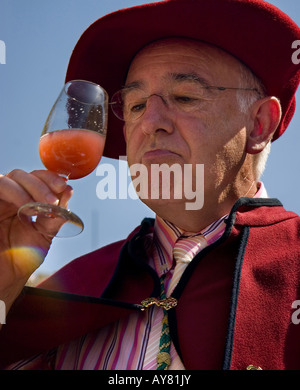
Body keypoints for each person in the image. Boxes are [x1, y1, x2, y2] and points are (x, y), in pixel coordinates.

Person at [0, 0, 300, 370]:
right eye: (136, 105)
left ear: (259, 124)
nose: (150, 122)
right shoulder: (63, 289)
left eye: (185, 97)